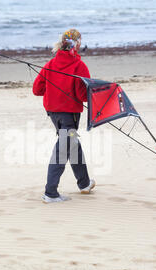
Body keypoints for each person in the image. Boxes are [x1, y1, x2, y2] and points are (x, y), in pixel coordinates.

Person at [32, 28, 96, 203]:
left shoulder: (50, 64)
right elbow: (83, 95)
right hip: (69, 115)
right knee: (62, 151)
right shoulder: (79, 66)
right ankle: (50, 193)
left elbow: (37, 89)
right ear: (78, 44)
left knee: (72, 143)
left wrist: (54, 90)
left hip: (53, 113)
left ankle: (84, 184)